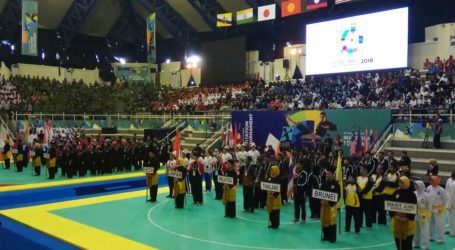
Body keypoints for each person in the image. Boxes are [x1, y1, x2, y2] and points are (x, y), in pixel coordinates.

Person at [390, 176, 417, 250]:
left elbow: (413, 208)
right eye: (400, 182)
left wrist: (406, 217)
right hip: (397, 221)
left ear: (407, 183)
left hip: (407, 222)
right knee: (398, 241)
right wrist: (394, 215)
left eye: (403, 183)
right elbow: (391, 205)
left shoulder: (412, 195)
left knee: (407, 243)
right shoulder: (396, 192)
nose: (401, 184)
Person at [320, 167, 340, 243]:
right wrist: (321, 200)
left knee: (332, 222)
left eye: (329, 174)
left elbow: (338, 196)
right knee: (324, 220)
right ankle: (325, 236)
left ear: (333, 175)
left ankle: (332, 238)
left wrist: (330, 203)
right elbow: (320, 192)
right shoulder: (324, 182)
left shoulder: (336, 184)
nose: (327, 175)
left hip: (332, 206)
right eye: (326, 174)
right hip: (324, 206)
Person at [427, 175, 447, 243]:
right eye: (431, 180)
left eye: (432, 180)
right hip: (430, 208)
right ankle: (431, 236)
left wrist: (440, 206)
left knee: (439, 224)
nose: (431, 181)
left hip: (438, 209)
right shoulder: (428, 188)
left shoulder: (441, 189)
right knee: (431, 223)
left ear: (436, 181)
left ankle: (440, 238)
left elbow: (444, 199)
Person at [413, 180, 432, 250]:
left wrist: (428, 215)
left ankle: (425, 246)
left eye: (417, 185)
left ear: (421, 185)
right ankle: (416, 243)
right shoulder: (414, 193)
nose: (415, 187)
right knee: (415, 230)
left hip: (424, 214)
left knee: (425, 231)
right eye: (415, 185)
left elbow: (429, 206)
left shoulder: (427, 195)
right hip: (415, 214)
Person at [357, 165, 374, 229]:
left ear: (366, 171)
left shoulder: (370, 179)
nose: (361, 170)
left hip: (367, 198)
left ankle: (368, 225)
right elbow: (356, 186)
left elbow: (367, 188)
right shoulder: (358, 178)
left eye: (363, 169)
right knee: (359, 212)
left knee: (368, 212)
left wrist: (360, 192)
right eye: (361, 169)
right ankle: (359, 224)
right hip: (360, 198)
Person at [446, 171, 455, 237]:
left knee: (452, 218)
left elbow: (452, 195)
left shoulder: (454, 184)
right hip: (448, 199)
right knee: (448, 217)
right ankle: (448, 229)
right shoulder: (449, 180)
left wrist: (449, 205)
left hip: (452, 202)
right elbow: (446, 189)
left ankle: (453, 232)